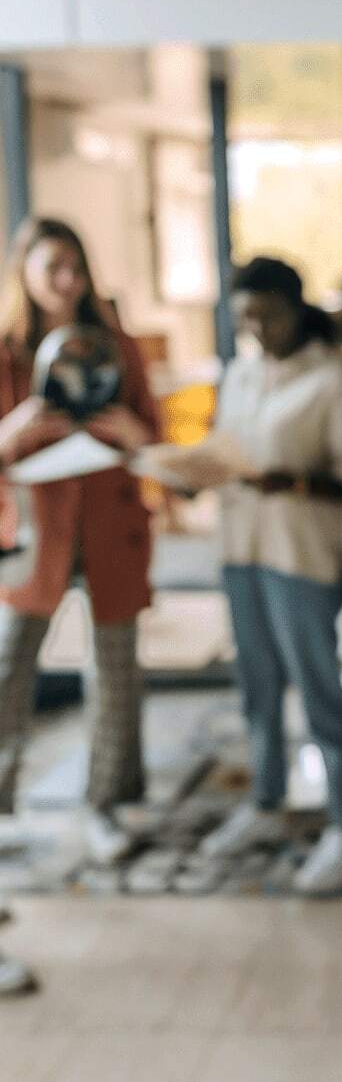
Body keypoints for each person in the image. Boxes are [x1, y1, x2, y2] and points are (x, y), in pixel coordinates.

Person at [197, 256, 342, 897]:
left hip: (302, 555)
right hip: (242, 549)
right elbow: (224, 449)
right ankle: (266, 803)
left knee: (318, 689)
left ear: (295, 309)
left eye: (266, 316)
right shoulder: (241, 373)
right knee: (257, 685)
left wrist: (289, 481)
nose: (255, 330)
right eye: (244, 317)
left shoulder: (335, 383)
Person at [0, 217, 161, 871]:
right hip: (36, 530)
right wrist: (16, 425)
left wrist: (129, 429)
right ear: (25, 272)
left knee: (115, 673)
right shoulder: (6, 351)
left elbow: (154, 439)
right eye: (53, 268)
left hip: (110, 525)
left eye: (77, 267)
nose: (68, 281)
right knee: (11, 666)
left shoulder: (116, 344)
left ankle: (102, 804)